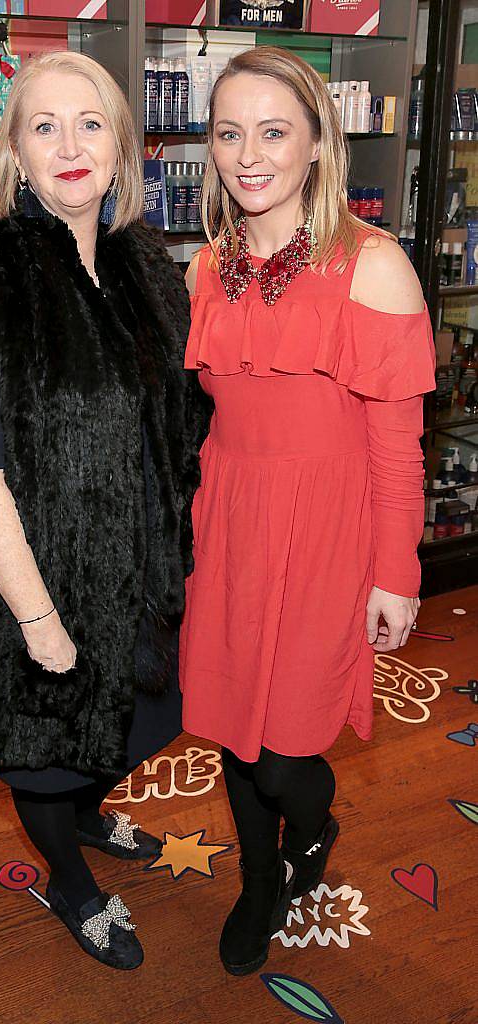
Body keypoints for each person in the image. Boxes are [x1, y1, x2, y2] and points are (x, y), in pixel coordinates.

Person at [0, 50, 203, 971]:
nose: (70, 144)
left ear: (122, 146)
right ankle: (68, 880)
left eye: (90, 122)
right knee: (47, 752)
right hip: (46, 578)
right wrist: (38, 621)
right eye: (43, 126)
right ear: (16, 154)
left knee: (145, 720)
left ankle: (89, 813)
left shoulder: (148, 273)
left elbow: (182, 420)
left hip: (148, 566)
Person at [179, 47, 436, 977]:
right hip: (232, 520)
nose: (249, 154)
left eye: (274, 131)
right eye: (229, 132)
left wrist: (394, 575)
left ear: (319, 142)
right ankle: (258, 880)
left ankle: (312, 834)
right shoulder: (204, 268)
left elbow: (394, 446)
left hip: (327, 532)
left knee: (286, 753)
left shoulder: (373, 266)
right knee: (234, 732)